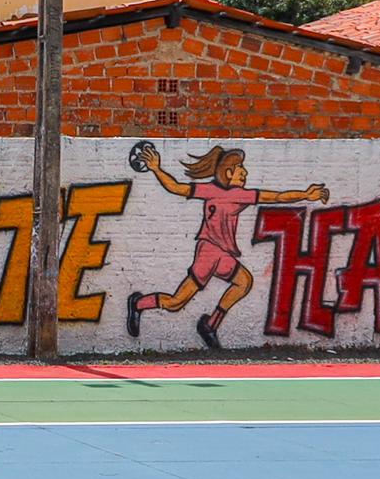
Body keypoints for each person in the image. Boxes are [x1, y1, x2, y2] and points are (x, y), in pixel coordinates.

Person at [121, 140, 325, 349]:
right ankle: (138, 303)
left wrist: (306, 195)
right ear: (228, 173)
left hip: (221, 255)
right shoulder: (217, 191)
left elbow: (277, 197)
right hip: (208, 253)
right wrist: (156, 168)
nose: (244, 173)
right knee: (176, 302)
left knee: (244, 282)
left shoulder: (237, 194)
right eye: (240, 169)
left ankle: (210, 325)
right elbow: (176, 188)